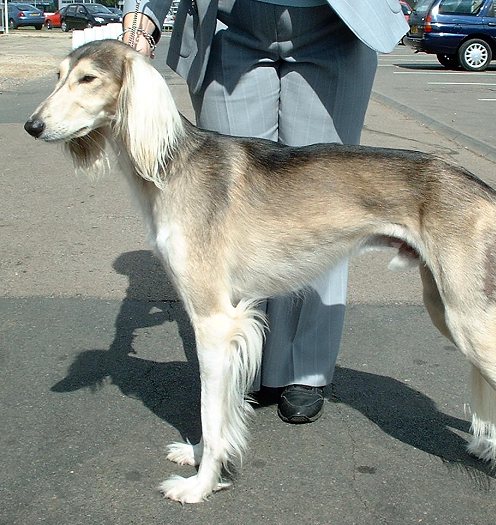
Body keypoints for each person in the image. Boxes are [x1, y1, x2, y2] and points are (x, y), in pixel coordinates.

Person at [121, 0, 408, 424]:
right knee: (228, 217)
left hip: (336, 21)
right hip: (232, 24)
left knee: (321, 213)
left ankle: (303, 368)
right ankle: (243, 365)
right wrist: (139, 24)